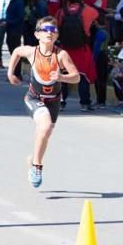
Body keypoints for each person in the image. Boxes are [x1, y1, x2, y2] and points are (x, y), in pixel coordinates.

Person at [8, 16, 81, 188]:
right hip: (34, 98)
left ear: (56, 36)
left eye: (53, 31)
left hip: (54, 101)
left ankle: (33, 158)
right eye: (46, 30)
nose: (50, 33)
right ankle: (37, 167)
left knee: (44, 133)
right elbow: (17, 51)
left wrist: (62, 77)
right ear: (37, 34)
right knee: (45, 126)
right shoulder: (32, 52)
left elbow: (76, 77)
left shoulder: (61, 55)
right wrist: (11, 73)